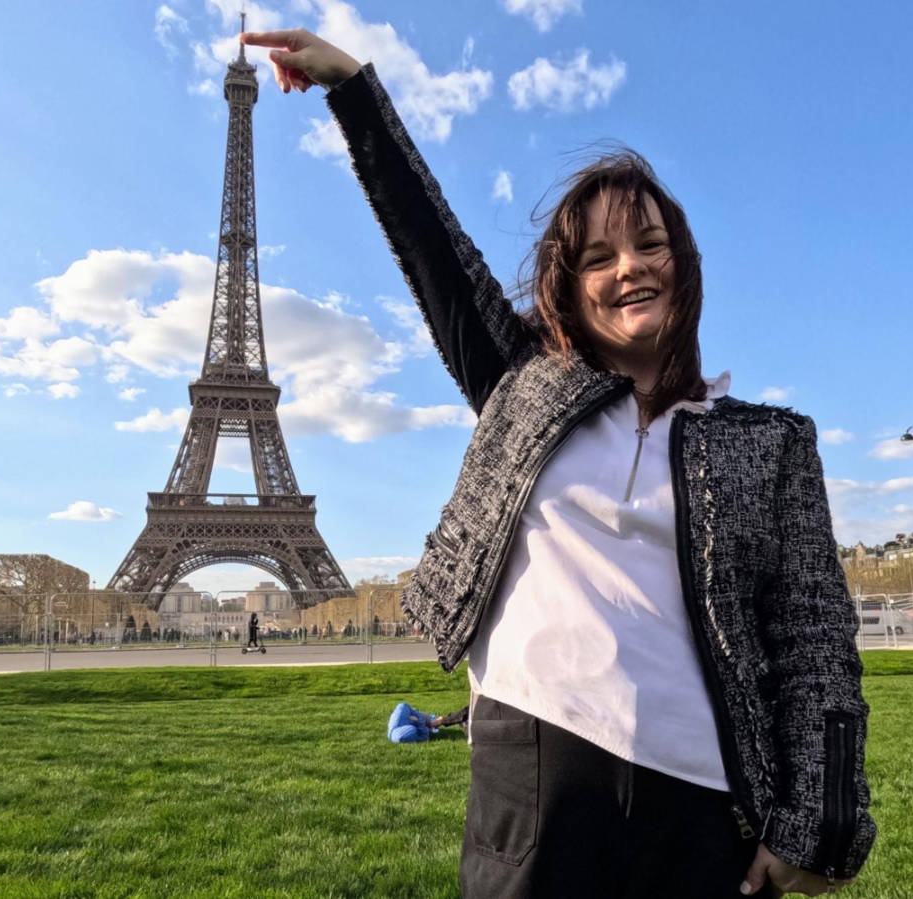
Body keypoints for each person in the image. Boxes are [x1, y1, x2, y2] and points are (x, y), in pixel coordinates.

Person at [242, 24, 875, 899]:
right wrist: (354, 93)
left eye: (649, 245)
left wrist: (821, 823)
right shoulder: (525, 384)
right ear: (569, 290)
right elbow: (438, 255)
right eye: (597, 258)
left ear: (685, 264)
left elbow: (814, 640)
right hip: (531, 788)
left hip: (705, 813)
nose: (628, 269)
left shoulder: (770, 443)